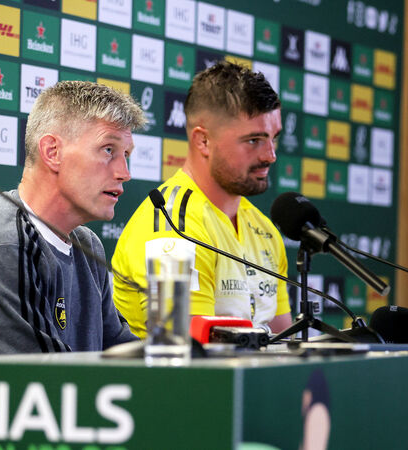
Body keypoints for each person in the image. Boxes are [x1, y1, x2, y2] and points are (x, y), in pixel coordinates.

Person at [0, 81, 145, 356]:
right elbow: (45, 376)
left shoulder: (87, 246)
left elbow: (124, 354)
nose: (124, 173)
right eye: (108, 150)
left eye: (126, 155)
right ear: (52, 152)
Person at [112, 61, 292, 338]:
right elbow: (183, 349)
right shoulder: (171, 226)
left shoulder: (264, 229)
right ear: (203, 141)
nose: (270, 155)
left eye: (273, 138)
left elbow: (286, 341)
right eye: (254, 140)